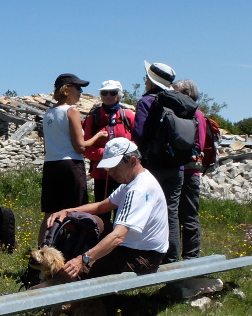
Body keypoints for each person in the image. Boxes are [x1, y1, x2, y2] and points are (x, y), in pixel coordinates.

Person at [45, 137, 168, 282]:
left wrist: (83, 260)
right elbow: (101, 206)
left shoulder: (138, 190)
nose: (110, 172)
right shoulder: (133, 180)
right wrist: (67, 211)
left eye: (115, 167)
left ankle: (39, 295)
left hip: (142, 256)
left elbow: (118, 236)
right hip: (136, 247)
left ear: (133, 161)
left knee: (76, 272)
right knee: (90, 221)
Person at [37, 74, 106, 245]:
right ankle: (73, 247)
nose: (81, 92)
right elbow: (80, 147)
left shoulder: (48, 114)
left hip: (51, 165)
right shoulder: (71, 111)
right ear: (66, 89)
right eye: (78, 88)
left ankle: (42, 249)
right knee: (75, 211)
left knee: (50, 212)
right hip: (71, 165)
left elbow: (47, 147)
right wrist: (97, 137)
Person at [132, 60, 182, 263]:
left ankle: (152, 255)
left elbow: (139, 133)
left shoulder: (146, 102)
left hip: (154, 164)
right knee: (172, 210)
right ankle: (172, 256)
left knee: (152, 209)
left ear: (152, 82)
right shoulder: (178, 102)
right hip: (177, 164)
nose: (144, 81)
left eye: (147, 78)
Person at [81, 79, 135, 226]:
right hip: (102, 174)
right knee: (102, 209)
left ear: (119, 95)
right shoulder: (94, 117)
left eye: (113, 92)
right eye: (105, 92)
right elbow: (86, 148)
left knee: (122, 210)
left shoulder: (128, 116)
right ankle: (101, 241)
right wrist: (107, 155)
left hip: (124, 173)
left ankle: (119, 243)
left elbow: (137, 143)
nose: (108, 95)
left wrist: (121, 155)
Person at [172, 79, 208, 259]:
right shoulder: (188, 114)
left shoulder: (196, 115)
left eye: (176, 91)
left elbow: (199, 144)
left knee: (188, 215)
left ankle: (191, 257)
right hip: (183, 170)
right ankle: (176, 255)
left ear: (186, 93)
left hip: (188, 171)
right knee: (176, 215)